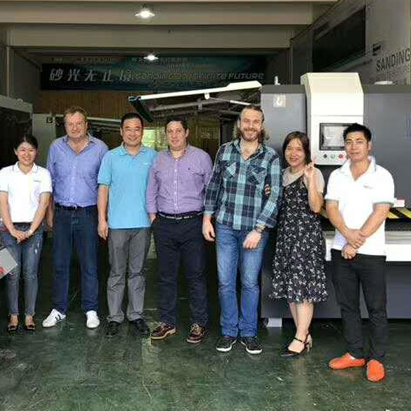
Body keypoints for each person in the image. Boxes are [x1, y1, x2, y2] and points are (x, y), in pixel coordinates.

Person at [203, 105, 281, 354]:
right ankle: (228, 331)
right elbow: (214, 186)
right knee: (225, 282)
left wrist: (259, 229)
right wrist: (207, 218)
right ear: (239, 124)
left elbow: (275, 195)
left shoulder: (270, 157)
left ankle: (248, 332)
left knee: (249, 282)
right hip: (225, 225)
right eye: (246, 121)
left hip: (254, 230)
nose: (250, 126)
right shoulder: (225, 151)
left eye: (256, 121)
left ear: (262, 125)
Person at [325, 123, 394, 382]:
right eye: (349, 142)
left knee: (376, 307)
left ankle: (377, 358)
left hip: (371, 252)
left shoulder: (382, 175)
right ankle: (355, 353)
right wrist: (346, 234)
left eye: (359, 141)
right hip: (340, 251)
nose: (353, 146)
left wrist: (354, 243)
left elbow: (381, 212)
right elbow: (331, 208)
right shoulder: (337, 175)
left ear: (369, 145)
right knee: (348, 305)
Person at [146, 117, 213, 344]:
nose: (174, 135)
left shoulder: (201, 158)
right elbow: (151, 189)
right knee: (166, 276)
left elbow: (211, 191)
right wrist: (153, 217)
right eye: (170, 131)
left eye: (178, 131)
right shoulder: (158, 160)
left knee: (196, 275)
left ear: (186, 133)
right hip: (164, 224)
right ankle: (167, 322)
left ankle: (198, 323)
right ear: (166, 134)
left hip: (192, 223)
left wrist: (207, 219)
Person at [42, 107, 108, 330]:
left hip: (88, 213)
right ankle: (59, 309)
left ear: (86, 124)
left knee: (89, 263)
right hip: (61, 213)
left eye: (79, 123)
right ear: (65, 126)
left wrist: (103, 217)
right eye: (70, 124)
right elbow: (49, 183)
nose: (75, 127)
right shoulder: (56, 147)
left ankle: (91, 309)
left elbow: (105, 186)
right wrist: (50, 213)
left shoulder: (100, 149)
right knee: (60, 263)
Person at [98, 113, 157, 338]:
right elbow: (103, 189)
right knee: (116, 272)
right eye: (128, 129)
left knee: (137, 272)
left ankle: (136, 315)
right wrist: (102, 219)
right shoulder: (111, 157)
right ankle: (114, 317)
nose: (132, 133)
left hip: (143, 224)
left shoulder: (153, 156)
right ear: (121, 131)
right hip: (117, 224)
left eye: (137, 129)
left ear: (142, 131)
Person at [270, 131, 327, 357]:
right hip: (286, 237)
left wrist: (310, 180)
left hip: (306, 239)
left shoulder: (314, 173)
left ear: (306, 153)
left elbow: (316, 207)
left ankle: (300, 338)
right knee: (291, 289)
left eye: (298, 149)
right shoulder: (282, 174)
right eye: (289, 148)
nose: (293, 153)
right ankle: (304, 333)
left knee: (302, 290)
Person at [0, 134, 52, 333]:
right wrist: (12, 229)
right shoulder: (6, 173)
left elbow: (43, 204)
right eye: (22, 150)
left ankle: (29, 315)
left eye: (30, 150)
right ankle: (13, 315)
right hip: (9, 230)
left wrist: (30, 230)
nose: (26, 154)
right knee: (12, 273)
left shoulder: (43, 173)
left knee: (30, 273)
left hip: (33, 230)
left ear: (36, 151)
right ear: (15, 151)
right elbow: (2, 202)